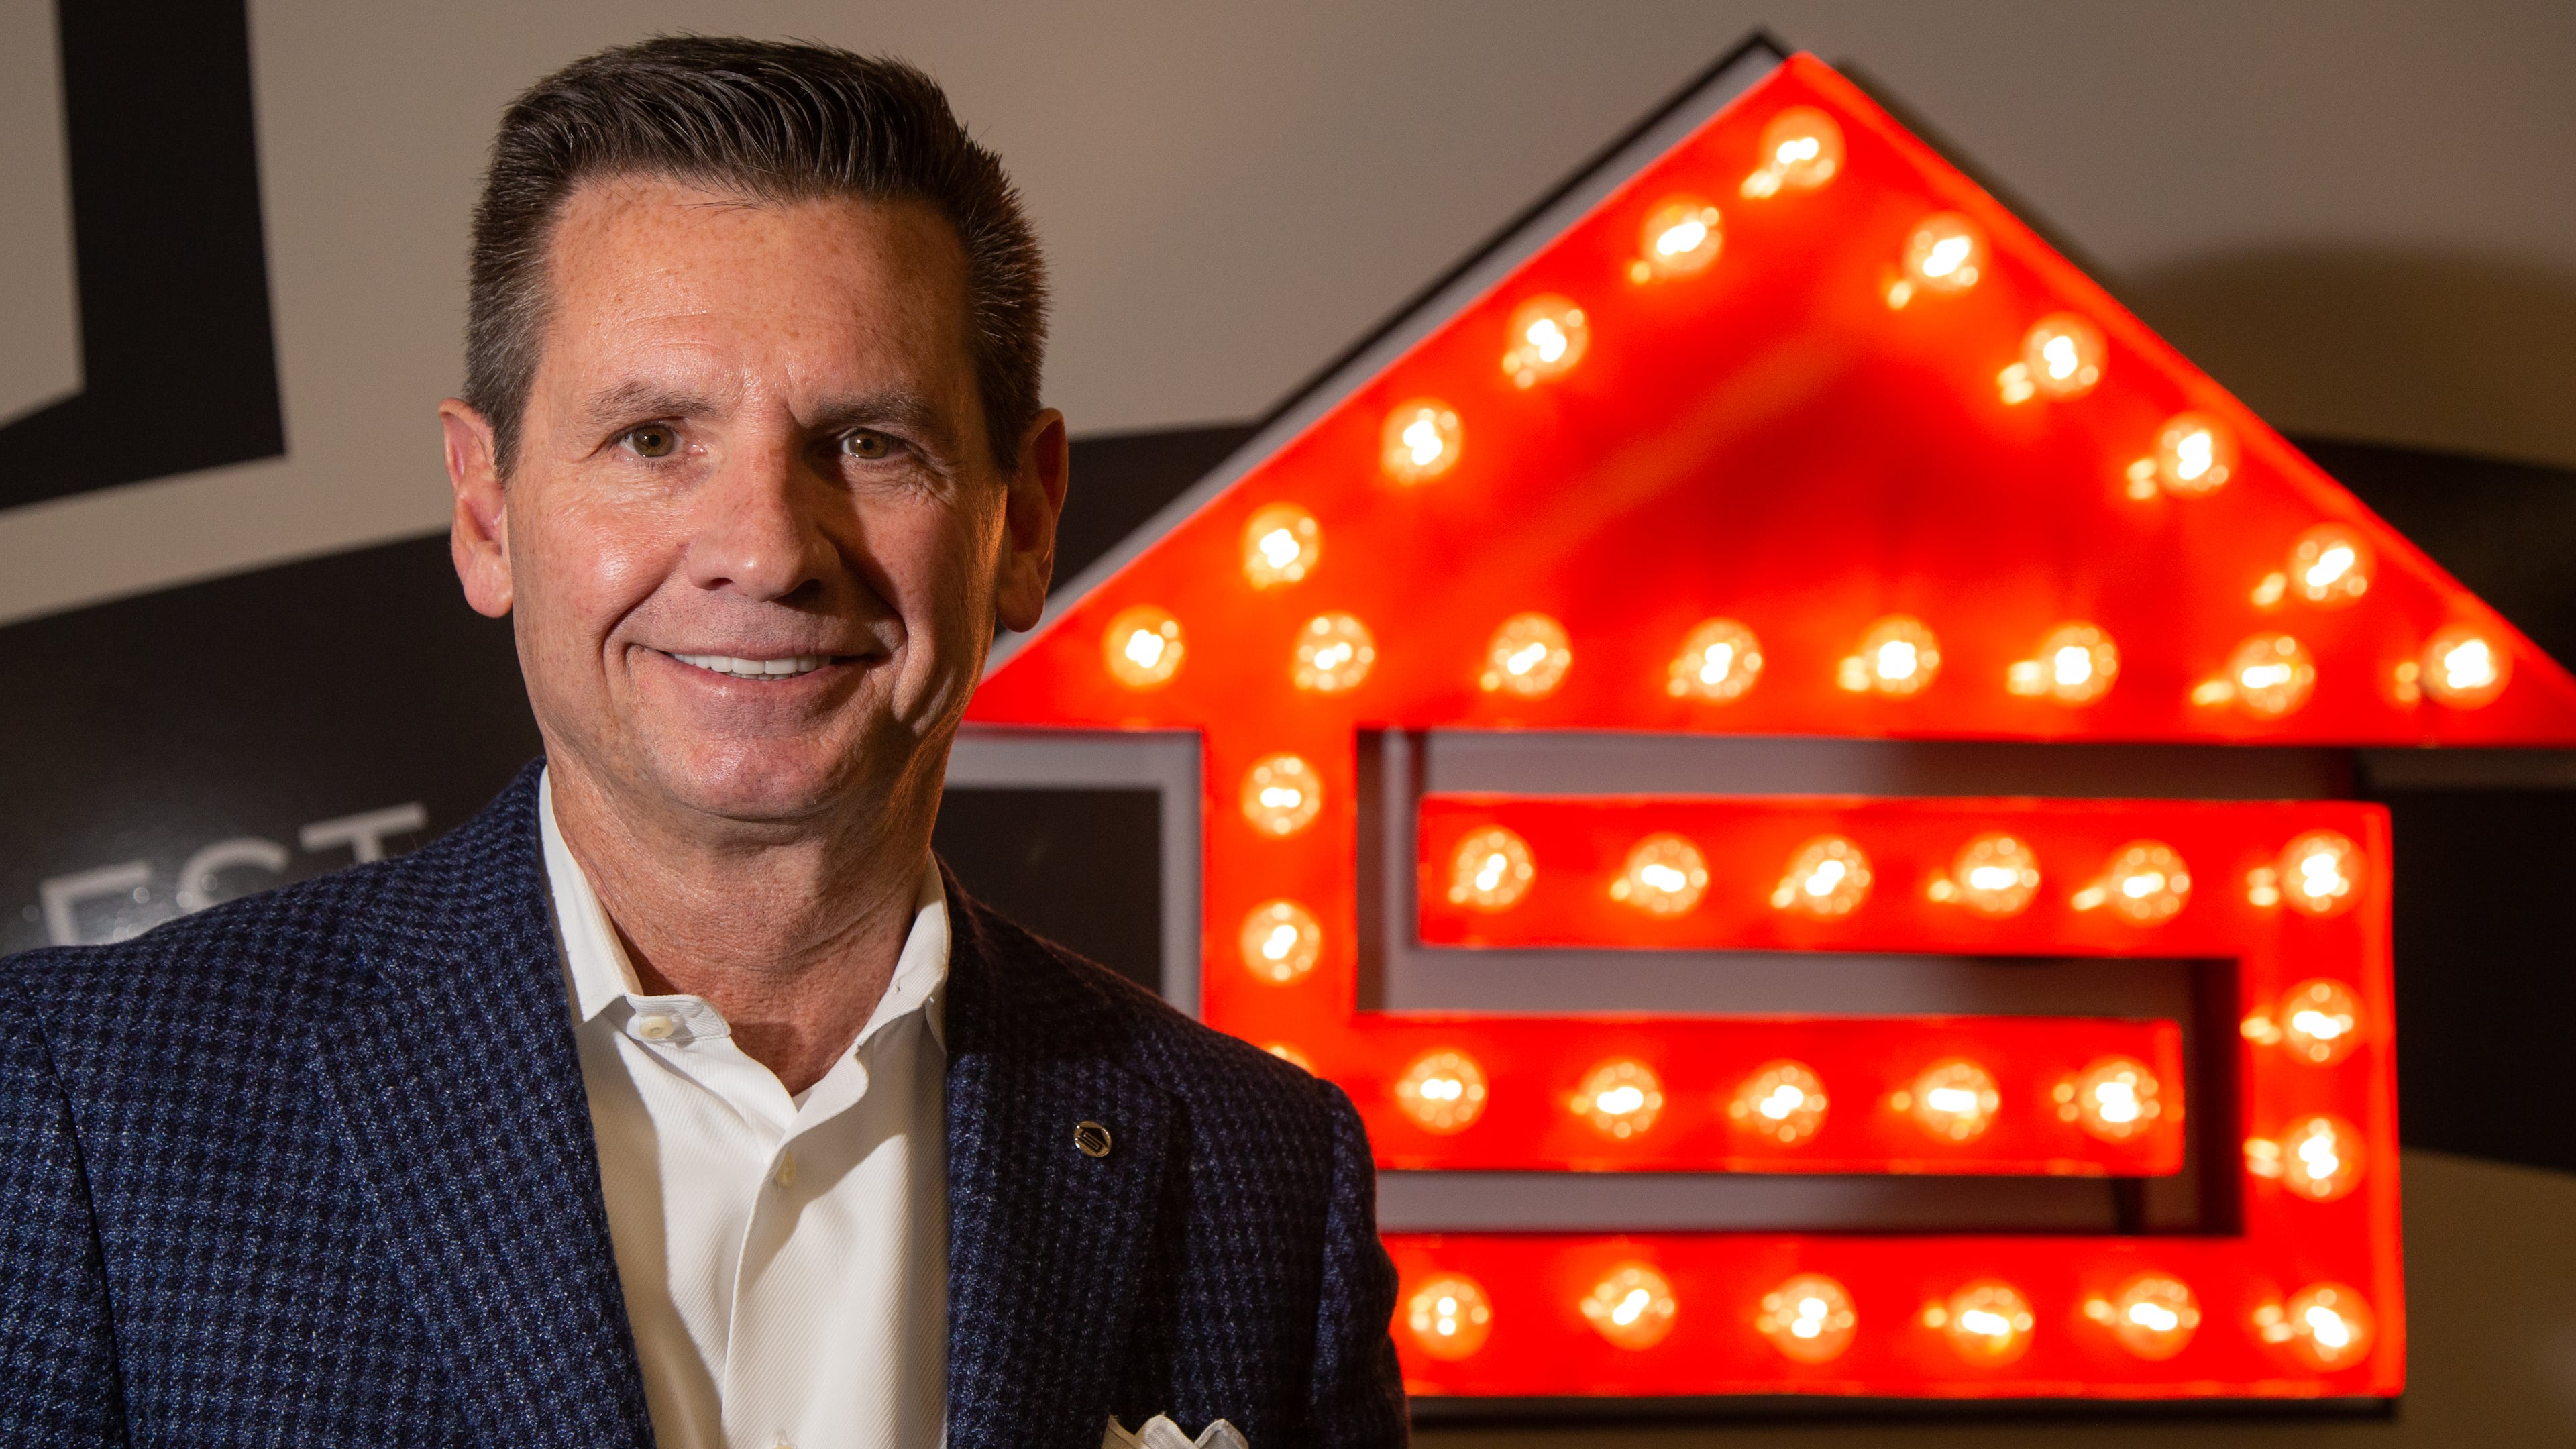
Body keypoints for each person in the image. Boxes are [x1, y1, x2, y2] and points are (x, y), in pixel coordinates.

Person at [0, 36, 1405, 1449]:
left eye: (868, 441)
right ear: (486, 511)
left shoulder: (1262, 1179)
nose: (767, 549)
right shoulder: (92, 1109)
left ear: (1023, 523)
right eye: (653, 439)